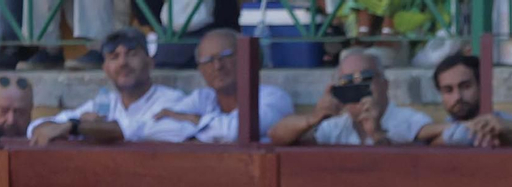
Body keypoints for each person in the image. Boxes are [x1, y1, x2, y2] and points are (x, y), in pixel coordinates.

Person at [27, 28, 191, 146]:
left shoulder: (172, 100)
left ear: (150, 63)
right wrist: (76, 124)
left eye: (132, 54)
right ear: (105, 69)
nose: (123, 63)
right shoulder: (104, 104)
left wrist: (77, 127)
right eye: (114, 57)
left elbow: (150, 130)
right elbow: (36, 127)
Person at [268, 47, 431, 146]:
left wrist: (377, 134)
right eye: (348, 81)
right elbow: (275, 136)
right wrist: (314, 118)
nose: (357, 87)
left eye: (365, 78)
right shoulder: (336, 126)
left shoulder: (413, 121)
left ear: (385, 84)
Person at [155, 29, 294, 144]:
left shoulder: (275, 98)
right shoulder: (202, 97)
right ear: (200, 69)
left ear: (246, 57)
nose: (218, 66)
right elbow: (156, 126)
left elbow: (234, 131)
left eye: (226, 56)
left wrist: (195, 121)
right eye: (208, 61)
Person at [417, 52, 512, 147]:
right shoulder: (436, 131)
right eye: (448, 90)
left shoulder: (505, 122)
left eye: (466, 87)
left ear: (481, 86)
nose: (458, 97)